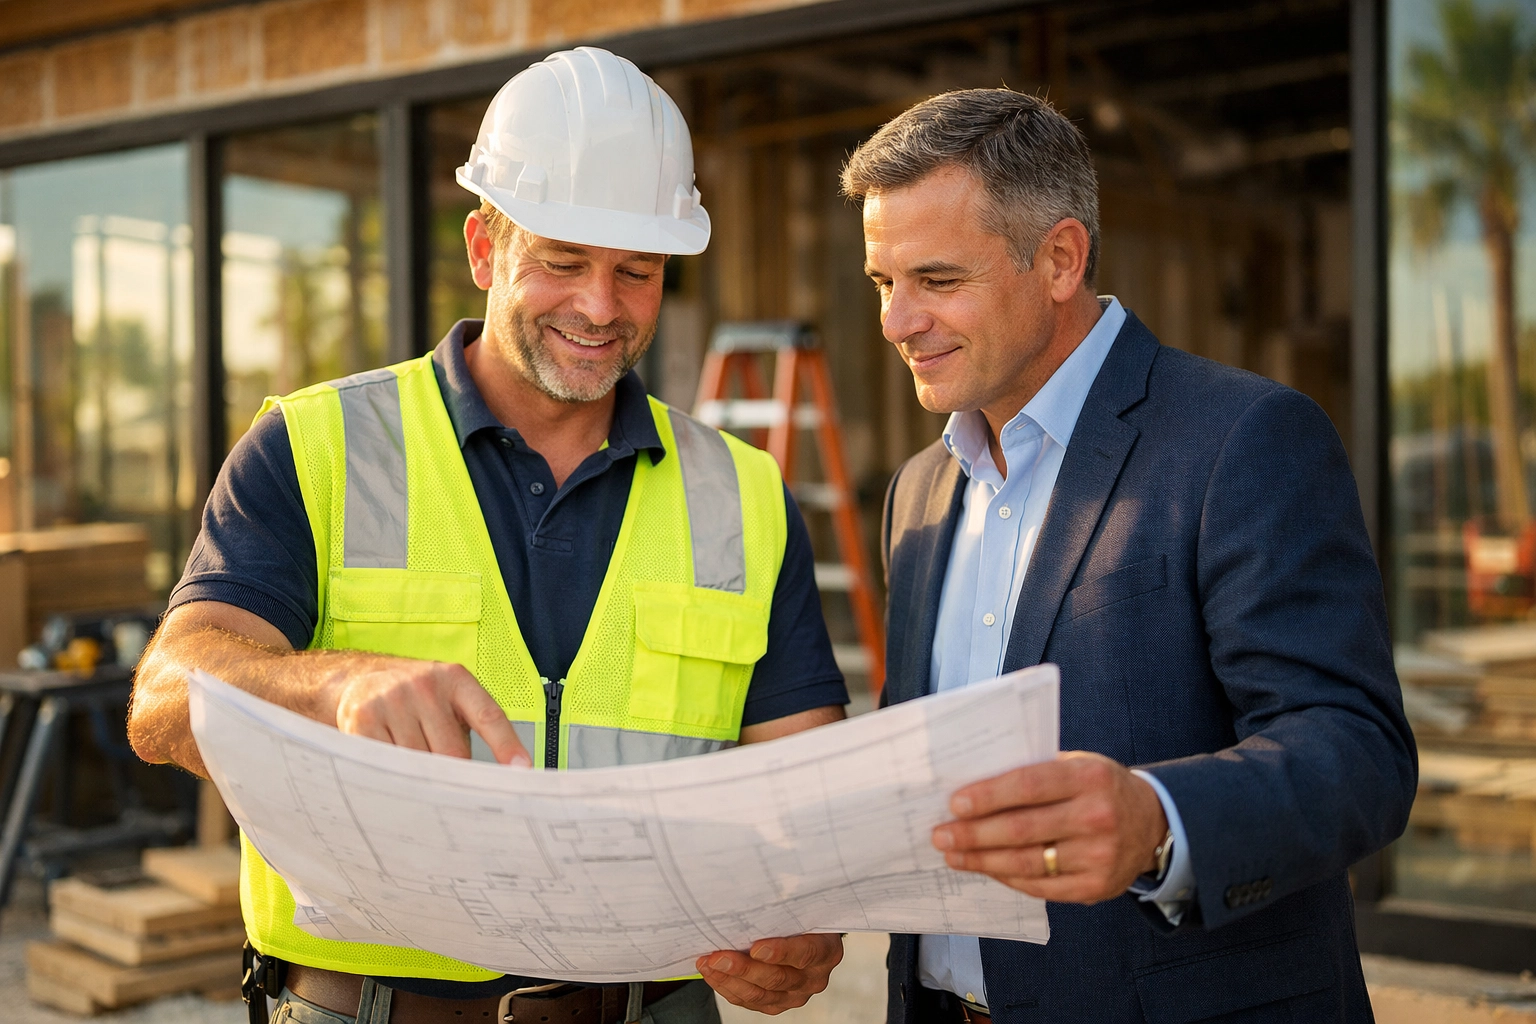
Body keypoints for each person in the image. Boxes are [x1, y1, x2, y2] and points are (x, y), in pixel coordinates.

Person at [129, 47, 847, 1024]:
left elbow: (804, 795)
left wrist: (803, 918)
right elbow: (163, 704)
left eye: (636, 271)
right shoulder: (316, 446)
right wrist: (333, 684)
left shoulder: (746, 493)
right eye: (561, 261)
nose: (600, 307)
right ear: (482, 248)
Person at [844, 89, 1417, 1023]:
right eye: (882, 282)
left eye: (937, 281)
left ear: (1060, 258)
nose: (896, 321)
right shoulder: (918, 492)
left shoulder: (1245, 440)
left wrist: (1157, 821)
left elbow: (1360, 753)